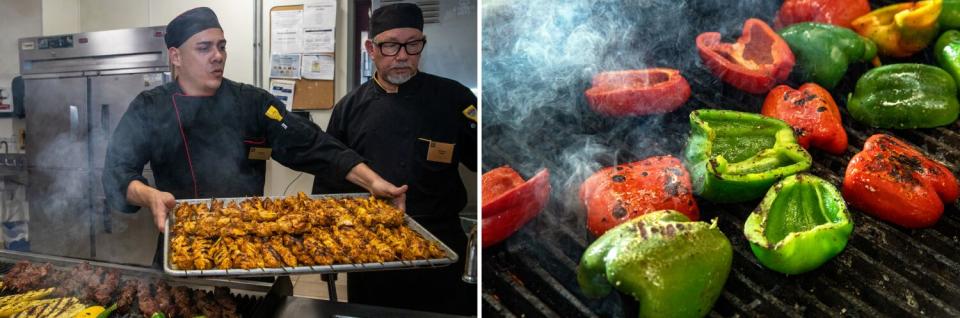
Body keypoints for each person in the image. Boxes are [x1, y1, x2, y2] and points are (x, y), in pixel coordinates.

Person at [102, 7, 407, 267]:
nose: (218, 56)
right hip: (183, 246)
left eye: (222, 46)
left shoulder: (253, 103)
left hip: (251, 248)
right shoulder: (149, 107)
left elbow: (313, 144)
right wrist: (150, 196)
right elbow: (116, 173)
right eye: (204, 48)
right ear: (176, 56)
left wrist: (374, 182)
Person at [311, 3, 477, 315]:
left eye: (413, 44)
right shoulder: (348, 109)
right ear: (371, 48)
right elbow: (328, 181)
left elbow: (486, 165)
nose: (402, 55)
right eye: (390, 45)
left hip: (441, 248)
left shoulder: (455, 99)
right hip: (371, 250)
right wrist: (325, 251)